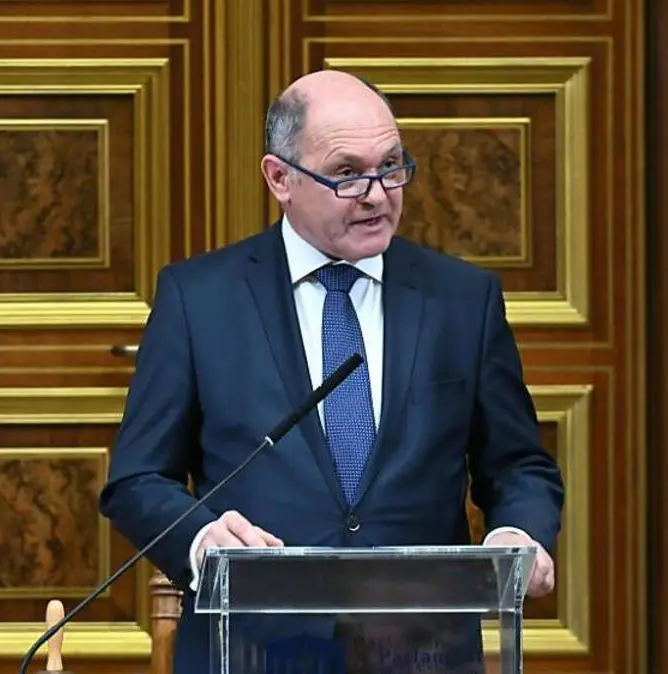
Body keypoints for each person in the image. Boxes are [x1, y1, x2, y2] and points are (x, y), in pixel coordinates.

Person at [98, 69, 564, 672]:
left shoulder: (461, 299)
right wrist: (200, 537)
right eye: (347, 173)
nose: (377, 194)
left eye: (391, 167)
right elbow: (137, 478)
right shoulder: (199, 298)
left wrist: (517, 533)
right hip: (252, 650)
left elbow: (518, 464)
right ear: (280, 178)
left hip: (421, 651)